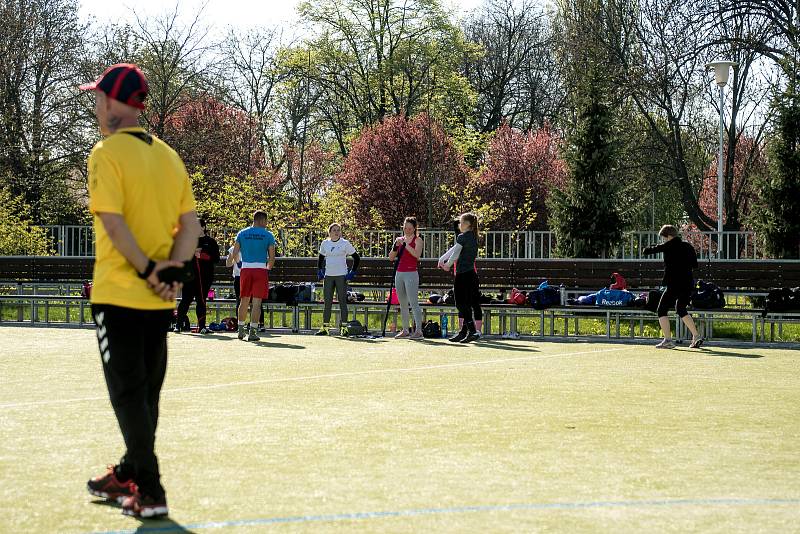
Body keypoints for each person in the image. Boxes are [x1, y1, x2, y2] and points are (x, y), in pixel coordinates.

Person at [81, 63, 202, 518]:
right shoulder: (169, 156)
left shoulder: (105, 152)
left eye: (98, 96)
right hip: (159, 299)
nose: (95, 104)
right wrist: (173, 270)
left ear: (116, 103)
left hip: (117, 295)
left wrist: (152, 266)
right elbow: (189, 225)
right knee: (146, 395)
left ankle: (148, 490)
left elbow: (112, 223)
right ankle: (128, 470)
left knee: (129, 395)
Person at [643, 225, 703, 349]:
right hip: (688, 283)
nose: (663, 241)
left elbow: (650, 250)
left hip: (674, 283)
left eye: (664, 238)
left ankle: (668, 340)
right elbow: (695, 265)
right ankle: (696, 336)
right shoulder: (688, 246)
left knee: (661, 310)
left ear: (669, 236)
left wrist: (646, 249)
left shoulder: (669, 245)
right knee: (681, 309)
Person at [229, 211, 276, 341]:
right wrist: (267, 269)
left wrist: (239, 264)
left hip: (246, 269)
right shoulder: (268, 235)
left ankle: (240, 330)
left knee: (244, 301)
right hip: (260, 270)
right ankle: (253, 332)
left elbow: (235, 253)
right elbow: (272, 257)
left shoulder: (242, 233)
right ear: (262, 221)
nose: (266, 224)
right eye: (266, 221)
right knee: (257, 303)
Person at [438, 213, 483, 343]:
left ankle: (472, 331)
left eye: (462, 222)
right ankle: (464, 332)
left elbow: (455, 253)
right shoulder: (474, 237)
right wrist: (442, 259)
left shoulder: (463, 237)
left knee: (460, 303)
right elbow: (454, 250)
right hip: (471, 275)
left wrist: (447, 265)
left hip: (463, 275)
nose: (460, 225)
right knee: (466, 304)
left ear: (468, 224)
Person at [174, 218, 220, 334]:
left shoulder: (211, 242)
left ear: (203, 227)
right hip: (189, 277)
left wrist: (202, 255)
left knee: (201, 300)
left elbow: (216, 258)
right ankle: (178, 325)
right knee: (186, 300)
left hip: (204, 277)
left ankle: (202, 326)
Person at [316, 223, 361, 335]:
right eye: (334, 230)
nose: (336, 232)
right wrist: (320, 271)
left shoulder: (345, 243)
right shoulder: (325, 243)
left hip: (341, 276)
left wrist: (352, 273)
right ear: (329, 232)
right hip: (329, 276)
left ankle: (344, 328)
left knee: (342, 302)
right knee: (327, 302)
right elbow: (321, 258)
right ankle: (325, 328)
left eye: (338, 230)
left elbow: (356, 258)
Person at [389, 217, 424, 339]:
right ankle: (405, 329)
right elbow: (391, 257)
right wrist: (395, 246)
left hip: (411, 273)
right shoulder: (399, 240)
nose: (407, 230)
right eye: (405, 228)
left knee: (413, 302)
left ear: (414, 228)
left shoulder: (418, 240)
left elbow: (416, 254)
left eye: (410, 228)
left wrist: (405, 244)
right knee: (402, 303)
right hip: (399, 273)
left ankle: (419, 330)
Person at [223, 242, 265, 331]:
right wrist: (232, 257)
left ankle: (259, 324)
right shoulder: (234, 249)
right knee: (241, 301)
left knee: (256, 301)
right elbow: (228, 264)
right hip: (239, 278)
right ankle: (240, 324)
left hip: (252, 277)